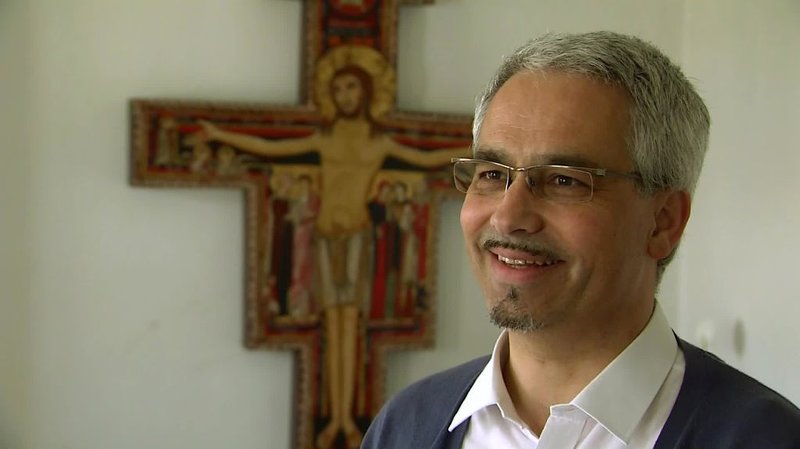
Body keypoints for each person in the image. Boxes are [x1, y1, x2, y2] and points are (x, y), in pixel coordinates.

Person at [361, 31, 800, 449]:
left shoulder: (766, 438)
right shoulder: (406, 426)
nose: (509, 217)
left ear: (662, 222)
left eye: (564, 181)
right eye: (492, 174)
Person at [195, 45, 467, 449]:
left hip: (357, 238)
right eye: (338, 89)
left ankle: (345, 418)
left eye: (352, 88)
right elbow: (270, 148)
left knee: (350, 329)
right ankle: (337, 418)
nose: (345, 96)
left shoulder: (378, 143)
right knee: (333, 326)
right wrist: (220, 135)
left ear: (366, 92)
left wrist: (483, 148)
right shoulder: (322, 139)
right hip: (325, 238)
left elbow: (426, 158)